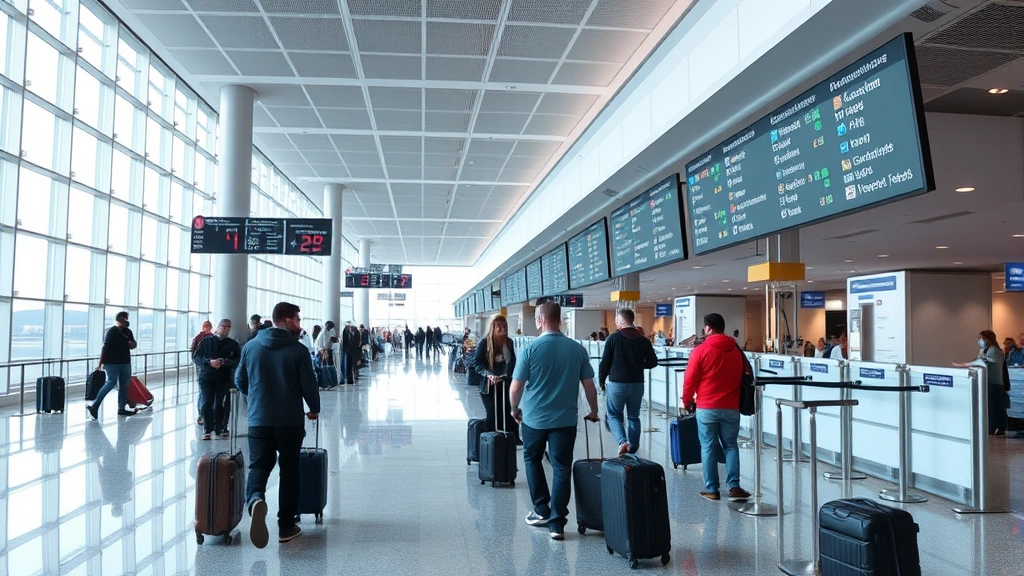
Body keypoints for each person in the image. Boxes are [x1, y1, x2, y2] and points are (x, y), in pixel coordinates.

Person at [509, 302, 600, 541]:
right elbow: (589, 386)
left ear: (539, 319)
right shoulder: (577, 349)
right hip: (565, 421)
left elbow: (516, 387)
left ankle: (541, 510)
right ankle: (557, 524)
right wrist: (593, 411)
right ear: (560, 320)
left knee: (532, 458)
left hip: (534, 419)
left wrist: (514, 408)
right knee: (561, 468)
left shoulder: (530, 349)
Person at [235, 302, 320, 548]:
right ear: (285, 320)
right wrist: (313, 408)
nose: (300, 325)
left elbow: (240, 379)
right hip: (289, 421)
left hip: (258, 419)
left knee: (260, 465)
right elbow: (309, 384)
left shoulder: (250, 347)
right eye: (297, 319)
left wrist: (256, 398)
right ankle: (286, 526)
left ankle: (254, 500)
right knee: (290, 470)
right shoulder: (298, 350)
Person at [681, 312, 751, 502]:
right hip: (731, 407)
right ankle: (734, 486)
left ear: (708, 328)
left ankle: (712, 489)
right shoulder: (736, 350)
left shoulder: (700, 351)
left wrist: (687, 402)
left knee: (708, 447)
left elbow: (690, 380)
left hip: (707, 407)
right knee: (730, 446)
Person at [599, 308, 659, 456]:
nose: (615, 322)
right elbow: (653, 362)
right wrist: (638, 365)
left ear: (623, 320)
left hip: (617, 383)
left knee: (613, 414)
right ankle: (634, 446)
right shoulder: (643, 340)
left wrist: (601, 380)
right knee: (633, 416)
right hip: (637, 384)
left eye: (617, 319)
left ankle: (622, 441)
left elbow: (605, 362)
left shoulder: (613, 339)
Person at [471, 315, 519, 444]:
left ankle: (512, 438)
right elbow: (477, 363)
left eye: (504, 326)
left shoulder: (509, 342)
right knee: (492, 413)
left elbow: (513, 362)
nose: (502, 329)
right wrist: (489, 375)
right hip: (489, 386)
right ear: (493, 327)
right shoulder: (484, 343)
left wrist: (509, 376)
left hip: (505, 383)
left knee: (508, 411)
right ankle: (488, 440)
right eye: (499, 327)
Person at [193, 319, 241, 439]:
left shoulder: (233, 344)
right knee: (207, 402)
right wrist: (209, 362)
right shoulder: (206, 341)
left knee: (221, 403)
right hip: (206, 377)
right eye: (224, 326)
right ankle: (207, 429)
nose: (226, 329)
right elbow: (197, 357)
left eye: (229, 327)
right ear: (218, 327)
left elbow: (238, 361)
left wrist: (225, 362)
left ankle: (221, 428)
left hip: (223, 377)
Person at [955, 330, 1007, 436]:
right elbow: (977, 361)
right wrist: (965, 364)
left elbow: (985, 362)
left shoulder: (994, 350)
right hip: (987, 381)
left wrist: (967, 364)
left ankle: (998, 428)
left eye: (981, 338)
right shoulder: (984, 350)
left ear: (987, 339)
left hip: (995, 382)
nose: (979, 340)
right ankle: (991, 427)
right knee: (990, 406)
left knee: (996, 406)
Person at [88, 311, 138, 419]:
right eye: (124, 319)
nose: (126, 321)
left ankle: (121, 408)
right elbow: (105, 347)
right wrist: (100, 363)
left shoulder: (128, 332)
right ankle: (95, 405)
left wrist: (131, 344)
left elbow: (134, 344)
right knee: (111, 382)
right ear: (120, 319)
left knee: (124, 385)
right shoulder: (111, 332)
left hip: (125, 362)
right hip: (112, 363)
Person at [191, 320, 216, 425]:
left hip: (204, 365)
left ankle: (202, 412)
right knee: (203, 390)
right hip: (205, 366)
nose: (208, 328)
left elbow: (193, 352)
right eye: (207, 327)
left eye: (209, 327)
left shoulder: (198, 338)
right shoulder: (205, 338)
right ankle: (202, 413)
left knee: (203, 390)